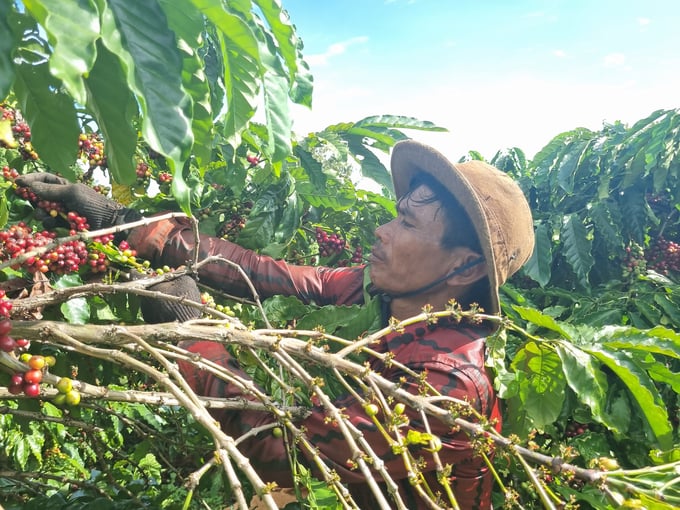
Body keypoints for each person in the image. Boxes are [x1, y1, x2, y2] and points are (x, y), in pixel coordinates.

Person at [17, 140, 535, 509]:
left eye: (407, 223)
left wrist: (192, 330)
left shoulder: (445, 387)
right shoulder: (386, 294)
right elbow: (266, 275)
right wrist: (115, 219)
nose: (381, 230)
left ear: (464, 267)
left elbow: (282, 446)